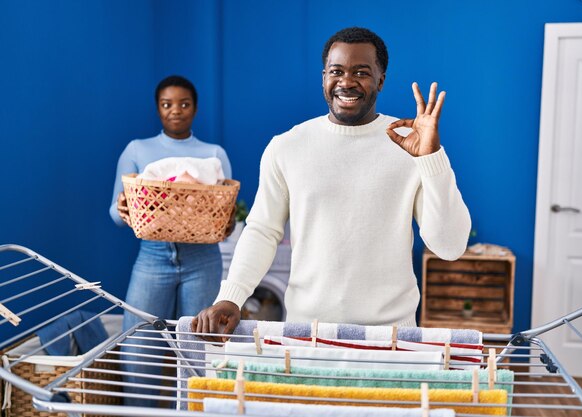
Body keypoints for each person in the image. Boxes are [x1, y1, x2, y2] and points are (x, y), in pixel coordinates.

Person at [192, 27, 470, 339]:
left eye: (361, 72)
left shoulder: (411, 145)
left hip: (391, 338)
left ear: (381, 80)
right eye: (336, 71)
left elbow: (449, 246)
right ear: (324, 77)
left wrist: (431, 157)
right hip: (307, 335)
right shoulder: (287, 146)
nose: (347, 82)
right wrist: (230, 297)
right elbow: (262, 231)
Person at [109, 75, 232, 406]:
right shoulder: (136, 150)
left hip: (203, 260)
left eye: (183, 104)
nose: (175, 111)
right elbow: (115, 213)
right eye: (167, 105)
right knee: (138, 349)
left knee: (198, 353)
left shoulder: (213, 154)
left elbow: (225, 219)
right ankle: (141, 412)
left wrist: (227, 218)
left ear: (194, 108)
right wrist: (125, 208)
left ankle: (194, 411)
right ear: (158, 109)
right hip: (153, 259)